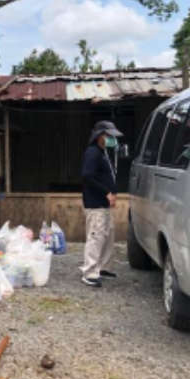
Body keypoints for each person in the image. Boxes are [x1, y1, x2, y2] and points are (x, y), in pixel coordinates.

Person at [80, 121, 123, 288]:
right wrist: (106, 191)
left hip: (104, 203)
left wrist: (112, 193)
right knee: (96, 236)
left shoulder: (103, 152)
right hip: (95, 202)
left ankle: (104, 267)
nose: (112, 138)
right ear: (99, 136)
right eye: (108, 135)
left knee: (107, 235)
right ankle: (89, 272)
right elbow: (87, 176)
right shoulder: (93, 153)